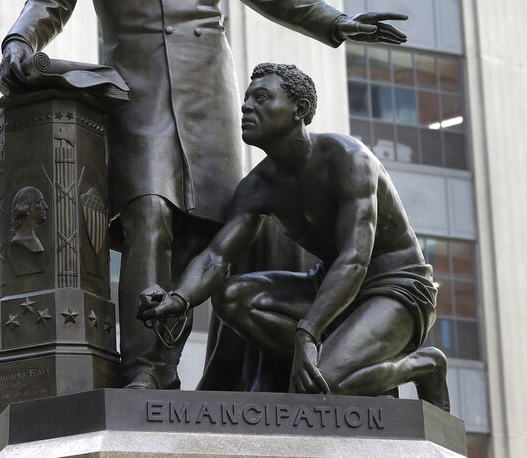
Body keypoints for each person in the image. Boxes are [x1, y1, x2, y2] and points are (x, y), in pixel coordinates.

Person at [0, 0, 407, 390]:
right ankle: (145, 371)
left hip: (212, 108)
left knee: (213, 236)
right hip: (140, 102)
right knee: (150, 219)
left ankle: (214, 377)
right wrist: (19, 41)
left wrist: (335, 23)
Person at [138, 63, 449, 410]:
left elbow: (355, 259)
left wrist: (308, 331)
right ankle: (342, 355)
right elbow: (217, 257)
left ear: (299, 110)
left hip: (394, 288)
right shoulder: (258, 187)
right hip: (328, 287)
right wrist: (178, 298)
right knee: (231, 297)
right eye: (246, 99)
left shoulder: (349, 159)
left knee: (322, 386)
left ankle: (423, 366)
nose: (246, 107)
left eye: (261, 98)